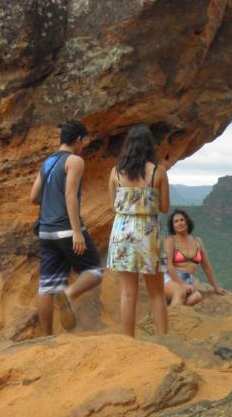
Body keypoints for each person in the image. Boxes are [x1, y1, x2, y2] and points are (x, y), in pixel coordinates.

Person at [29, 119, 103, 335]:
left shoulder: (48, 162)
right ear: (79, 139)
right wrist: (77, 231)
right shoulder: (75, 161)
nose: (83, 146)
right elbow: (70, 194)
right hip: (66, 228)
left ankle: (47, 337)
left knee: (47, 286)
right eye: (84, 142)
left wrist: (49, 202)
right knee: (94, 271)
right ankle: (69, 295)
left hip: (45, 230)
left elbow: (33, 196)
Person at [106, 124, 170, 337]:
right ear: (149, 146)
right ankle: (163, 339)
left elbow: (113, 206)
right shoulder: (158, 172)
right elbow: (164, 207)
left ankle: (128, 341)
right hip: (147, 232)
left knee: (127, 293)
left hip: (122, 231)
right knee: (156, 293)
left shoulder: (115, 173)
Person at [164, 209, 227, 306]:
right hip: (171, 278)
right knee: (181, 292)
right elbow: (169, 266)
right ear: (173, 226)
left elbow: (207, 267)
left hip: (188, 279)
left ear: (187, 222)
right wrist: (182, 284)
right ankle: (172, 319)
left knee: (196, 297)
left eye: (182, 220)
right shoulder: (171, 241)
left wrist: (216, 287)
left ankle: (170, 306)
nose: (179, 223)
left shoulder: (198, 241)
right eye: (176, 221)